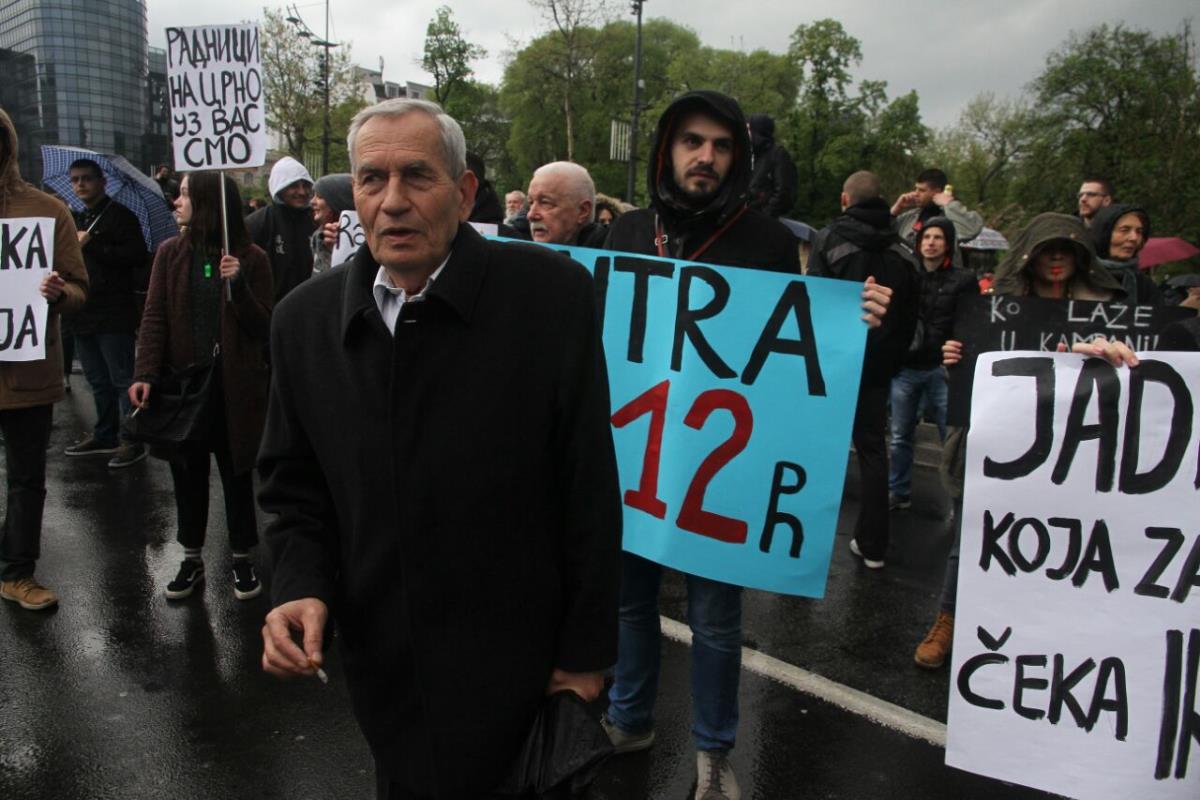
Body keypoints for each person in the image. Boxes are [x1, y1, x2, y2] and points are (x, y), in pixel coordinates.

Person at [258, 98, 622, 798]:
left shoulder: (550, 298)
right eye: (371, 180)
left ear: (462, 193)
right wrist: (299, 586)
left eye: (416, 177)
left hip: (522, 664)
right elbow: (294, 489)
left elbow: (587, 486)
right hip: (388, 670)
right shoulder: (302, 323)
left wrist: (585, 655)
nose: (392, 202)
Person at [602, 90, 891, 800]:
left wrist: (854, 322)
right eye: (691, 141)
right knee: (630, 603)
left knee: (716, 619)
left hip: (719, 476)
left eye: (721, 146)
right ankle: (628, 718)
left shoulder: (765, 241)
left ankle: (712, 752)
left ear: (738, 159)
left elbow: (799, 350)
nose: (705, 157)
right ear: (666, 149)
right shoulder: (630, 231)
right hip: (636, 463)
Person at [915, 213, 1130, 669]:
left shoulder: (1111, 310)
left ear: (1081, 257)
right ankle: (949, 618)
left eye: (1066, 250)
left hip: (1077, 448)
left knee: (1066, 542)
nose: (1056, 259)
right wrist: (957, 356)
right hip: (1005, 442)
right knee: (973, 533)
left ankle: (1044, 630)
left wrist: (1104, 350)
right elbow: (978, 374)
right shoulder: (995, 308)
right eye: (1047, 250)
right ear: (1029, 258)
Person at [129, 172, 273, 602]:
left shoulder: (252, 258)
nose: (178, 200)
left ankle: (243, 559)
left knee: (236, 476)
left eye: (187, 194)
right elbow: (154, 316)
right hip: (184, 388)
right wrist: (145, 373)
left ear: (210, 200)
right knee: (187, 476)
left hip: (232, 388)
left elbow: (266, 326)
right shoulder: (170, 254)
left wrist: (239, 285)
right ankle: (191, 558)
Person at [807, 171, 920, 568]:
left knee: (816, 450)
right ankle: (874, 545)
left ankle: (800, 543)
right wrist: (891, 360)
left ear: (844, 199)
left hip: (828, 364)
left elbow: (812, 302)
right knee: (873, 450)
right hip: (877, 370)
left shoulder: (828, 239)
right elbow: (910, 317)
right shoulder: (905, 250)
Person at [0, 109, 88, 611]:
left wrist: (58, 293)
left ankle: (18, 572)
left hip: (29, 370)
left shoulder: (48, 211)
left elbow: (80, 290)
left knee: (27, 478)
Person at [61, 158, 149, 468]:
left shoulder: (120, 217)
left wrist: (93, 243)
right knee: (96, 379)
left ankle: (132, 438)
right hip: (82, 311)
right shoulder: (73, 217)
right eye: (74, 180)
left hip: (113, 312)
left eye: (86, 178)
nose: (80, 185)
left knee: (121, 378)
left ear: (102, 182)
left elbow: (137, 256)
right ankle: (105, 433)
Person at [886, 217, 977, 511]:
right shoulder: (907, 275)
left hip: (943, 369)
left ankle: (958, 498)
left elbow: (972, 324)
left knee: (951, 438)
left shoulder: (964, 280)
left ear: (948, 243)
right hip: (906, 367)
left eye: (938, 237)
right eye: (926, 237)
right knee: (900, 436)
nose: (931, 242)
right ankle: (898, 491)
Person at [246, 156, 315, 302]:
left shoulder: (317, 220)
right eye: (294, 186)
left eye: (306, 185)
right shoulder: (258, 223)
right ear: (280, 187)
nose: (302, 192)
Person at [890, 168, 983, 266]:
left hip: (942, 278)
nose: (915, 194)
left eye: (922, 190)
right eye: (916, 189)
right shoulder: (911, 216)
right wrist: (896, 209)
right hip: (909, 277)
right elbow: (883, 233)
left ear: (937, 192)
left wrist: (949, 204)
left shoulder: (951, 216)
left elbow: (971, 230)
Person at [1088, 203, 1160, 306]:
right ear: (1103, 234)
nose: (1134, 238)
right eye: (1124, 230)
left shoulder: (1144, 285)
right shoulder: (1079, 276)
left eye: (1139, 231)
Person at [526, 161, 608, 247]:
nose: (530, 215)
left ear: (583, 211)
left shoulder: (615, 254)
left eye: (545, 202)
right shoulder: (517, 252)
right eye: (531, 203)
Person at [746, 113, 797, 218]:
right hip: (748, 219)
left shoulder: (778, 154)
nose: (746, 133)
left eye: (748, 129)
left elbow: (783, 193)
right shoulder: (751, 155)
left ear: (757, 131)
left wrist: (765, 216)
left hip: (765, 221)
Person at [309, 173, 354, 273]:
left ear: (337, 201)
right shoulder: (318, 237)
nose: (312, 201)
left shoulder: (364, 239)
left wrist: (338, 250)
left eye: (319, 196)